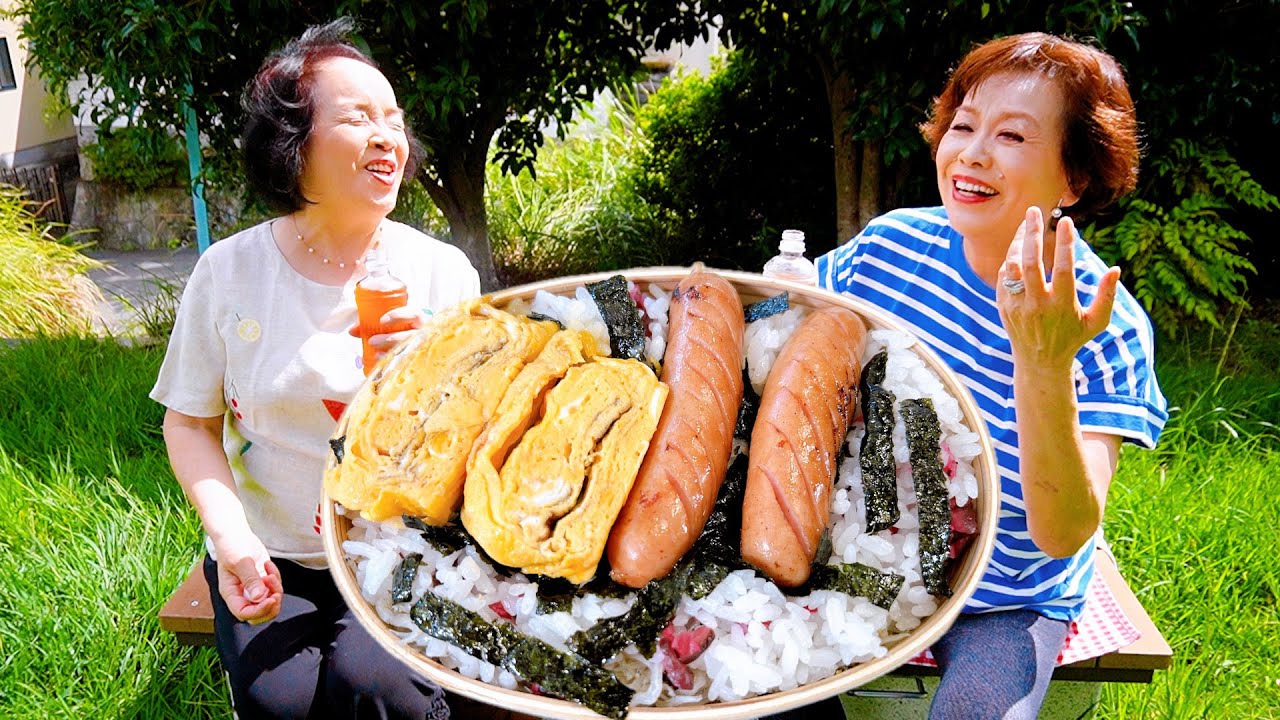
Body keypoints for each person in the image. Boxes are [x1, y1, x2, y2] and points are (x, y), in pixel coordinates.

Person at [810, 33, 1168, 719]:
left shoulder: (1105, 325)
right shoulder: (890, 249)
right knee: (758, 691)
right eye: (964, 125)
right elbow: (785, 317)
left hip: (1005, 596)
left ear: (1072, 178)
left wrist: (1044, 359)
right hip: (862, 557)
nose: (971, 152)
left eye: (1012, 136)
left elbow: (1062, 531)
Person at [151, 19, 482, 719]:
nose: (389, 135)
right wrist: (231, 539)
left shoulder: (440, 273)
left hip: (404, 553)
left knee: (383, 694)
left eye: (394, 119)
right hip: (272, 551)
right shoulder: (229, 273)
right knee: (282, 705)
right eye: (359, 117)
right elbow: (188, 425)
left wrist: (433, 383)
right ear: (292, 144)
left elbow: (480, 449)